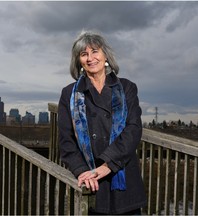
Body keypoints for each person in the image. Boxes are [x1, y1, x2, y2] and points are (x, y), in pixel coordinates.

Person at [58, 30, 147, 215]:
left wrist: (107, 166)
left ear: (105, 55)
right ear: (79, 61)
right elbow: (66, 140)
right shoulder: (69, 94)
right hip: (92, 182)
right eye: (84, 54)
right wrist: (82, 170)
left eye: (95, 51)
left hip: (122, 178)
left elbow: (133, 130)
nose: (90, 58)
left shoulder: (127, 88)